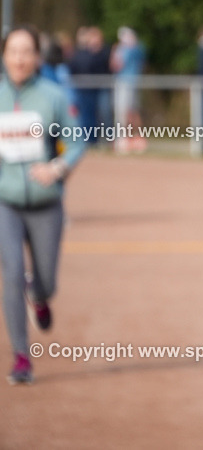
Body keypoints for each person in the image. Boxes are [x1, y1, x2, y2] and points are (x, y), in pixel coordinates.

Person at [0, 26, 86, 384]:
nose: (20, 58)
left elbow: (77, 138)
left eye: (26, 51)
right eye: (13, 51)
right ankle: (21, 356)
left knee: (46, 281)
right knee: (12, 273)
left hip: (47, 204)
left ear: (36, 57)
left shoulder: (53, 96)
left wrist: (58, 168)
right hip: (6, 203)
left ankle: (41, 297)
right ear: (4, 56)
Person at [111, 26, 147, 154]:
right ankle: (126, 138)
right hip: (124, 82)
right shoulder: (126, 49)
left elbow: (117, 64)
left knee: (130, 111)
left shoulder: (134, 49)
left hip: (129, 83)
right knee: (125, 111)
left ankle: (134, 138)